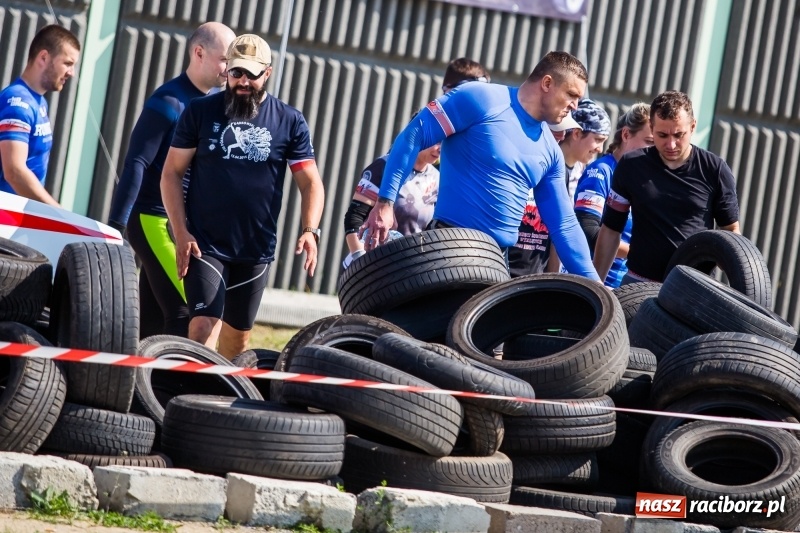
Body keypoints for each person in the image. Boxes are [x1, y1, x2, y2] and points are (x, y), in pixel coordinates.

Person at [360, 51, 600, 282]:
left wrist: (597, 288)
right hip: (448, 246)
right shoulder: (479, 98)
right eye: (572, 95)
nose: (576, 106)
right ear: (547, 83)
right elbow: (414, 136)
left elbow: (564, 225)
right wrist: (385, 203)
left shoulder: (550, 151)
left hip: (496, 262)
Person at [161, 34, 325, 358]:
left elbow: (311, 183)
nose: (243, 81)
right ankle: (189, 402)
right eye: (236, 73)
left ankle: (224, 404)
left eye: (252, 74)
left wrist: (310, 231)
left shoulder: (289, 121)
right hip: (203, 243)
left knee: (237, 344)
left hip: (254, 248)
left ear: (268, 73)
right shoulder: (200, 111)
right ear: (227, 72)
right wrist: (181, 232)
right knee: (203, 326)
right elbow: (171, 173)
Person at [107, 22, 235, 339]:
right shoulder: (169, 101)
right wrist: (115, 227)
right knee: (187, 309)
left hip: (179, 224)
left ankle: (139, 386)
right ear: (199, 52)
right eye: (225, 60)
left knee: (153, 317)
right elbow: (137, 161)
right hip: (152, 219)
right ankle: (172, 387)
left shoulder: (212, 106)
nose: (229, 69)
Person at [593, 90, 740, 284]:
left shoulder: (715, 170)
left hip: (693, 287)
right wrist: (595, 285)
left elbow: (731, 235)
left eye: (679, 135)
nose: (671, 144)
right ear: (651, 128)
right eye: (662, 135)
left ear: (693, 126)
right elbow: (610, 230)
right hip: (638, 282)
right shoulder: (631, 165)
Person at [508, 99, 610, 277]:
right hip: (509, 267)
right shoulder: (539, 163)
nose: (600, 148)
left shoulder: (571, 172)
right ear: (577, 134)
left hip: (535, 273)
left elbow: (560, 230)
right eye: (598, 139)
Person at [574, 103, 653, 287]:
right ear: (626, 135)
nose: (653, 150)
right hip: (599, 284)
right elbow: (588, 231)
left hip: (630, 287)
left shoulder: (643, 179)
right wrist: (642, 253)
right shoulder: (601, 172)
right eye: (649, 142)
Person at [0, 25, 80, 207]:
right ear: (43, 57)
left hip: (21, 219)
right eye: (68, 63)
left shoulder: (38, 101)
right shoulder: (18, 101)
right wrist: (57, 213)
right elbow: (14, 171)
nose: (72, 73)